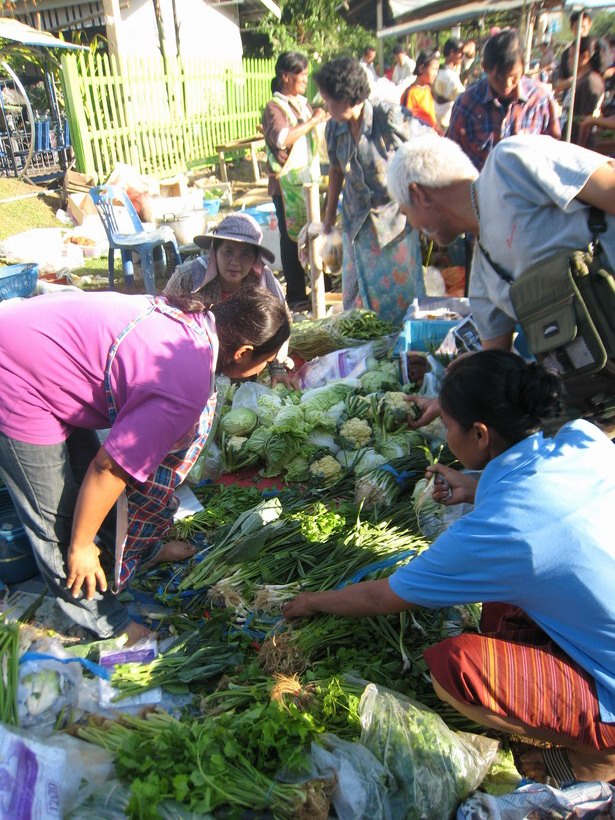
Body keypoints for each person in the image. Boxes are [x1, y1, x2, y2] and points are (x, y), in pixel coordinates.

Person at [284, 350, 615, 787]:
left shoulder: (496, 531)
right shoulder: (584, 439)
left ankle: (598, 755)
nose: (444, 430)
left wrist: (309, 600)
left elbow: (382, 595)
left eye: (449, 423)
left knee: (455, 667)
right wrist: (476, 487)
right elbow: (547, 510)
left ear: (479, 433)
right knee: (501, 603)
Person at [0, 288, 290, 642]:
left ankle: (137, 553)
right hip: (14, 372)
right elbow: (108, 468)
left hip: (42, 353)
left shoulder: (196, 322)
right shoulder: (185, 380)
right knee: (59, 522)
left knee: (87, 490)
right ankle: (109, 624)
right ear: (243, 352)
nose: (263, 369)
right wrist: (81, 544)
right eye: (266, 360)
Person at [386, 131, 615, 427]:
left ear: (419, 195)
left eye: (407, 213)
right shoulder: (483, 279)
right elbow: (496, 367)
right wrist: (448, 401)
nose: (413, 226)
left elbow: (609, 185)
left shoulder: (510, 164)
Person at [316, 56, 427, 327]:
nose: (324, 104)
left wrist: (423, 210)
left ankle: (402, 352)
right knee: (356, 301)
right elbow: (336, 171)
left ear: (347, 97)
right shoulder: (334, 128)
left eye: (328, 99)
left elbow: (426, 151)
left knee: (399, 299)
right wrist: (328, 220)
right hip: (356, 226)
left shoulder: (388, 117)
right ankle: (364, 355)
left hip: (394, 226)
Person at [164, 213, 294, 386]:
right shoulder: (188, 276)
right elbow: (163, 320)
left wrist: (277, 368)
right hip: (190, 362)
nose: (235, 262)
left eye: (245, 254)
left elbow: (280, 328)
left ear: (255, 258)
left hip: (243, 367)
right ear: (215, 251)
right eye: (228, 252)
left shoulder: (265, 282)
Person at [262, 51, 328, 312]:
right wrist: (312, 121)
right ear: (286, 76)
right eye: (301, 74)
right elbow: (282, 139)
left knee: (313, 233)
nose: (305, 79)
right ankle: (297, 295)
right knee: (291, 239)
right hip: (286, 185)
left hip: (307, 180)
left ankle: (320, 286)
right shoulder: (274, 107)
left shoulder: (302, 104)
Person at [447, 29, 561, 171]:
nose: (507, 84)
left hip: (527, 190)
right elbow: (451, 156)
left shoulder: (540, 100)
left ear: (523, 67)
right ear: (485, 68)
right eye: (499, 77)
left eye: (514, 76)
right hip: (480, 190)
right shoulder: (467, 104)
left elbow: (554, 152)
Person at [566, 37, 605, 146]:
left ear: (585, 56)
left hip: (580, 147)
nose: (568, 60)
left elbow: (586, 121)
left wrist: (579, 150)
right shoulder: (581, 79)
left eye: (572, 55)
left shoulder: (590, 81)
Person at [400, 50, 441, 132]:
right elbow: (406, 123)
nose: (436, 73)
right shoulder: (411, 93)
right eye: (433, 69)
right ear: (422, 68)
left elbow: (432, 119)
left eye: (437, 70)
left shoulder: (428, 89)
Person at [555, 11, 593, 94]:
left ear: (590, 25)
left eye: (583, 27)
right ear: (572, 29)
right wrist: (570, 82)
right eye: (576, 28)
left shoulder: (596, 50)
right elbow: (558, 83)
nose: (580, 31)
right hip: (571, 98)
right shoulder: (566, 53)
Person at [433, 38, 465, 131]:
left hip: (441, 120)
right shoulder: (448, 76)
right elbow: (463, 97)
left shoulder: (441, 71)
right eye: (461, 53)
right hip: (445, 125)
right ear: (452, 53)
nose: (462, 56)